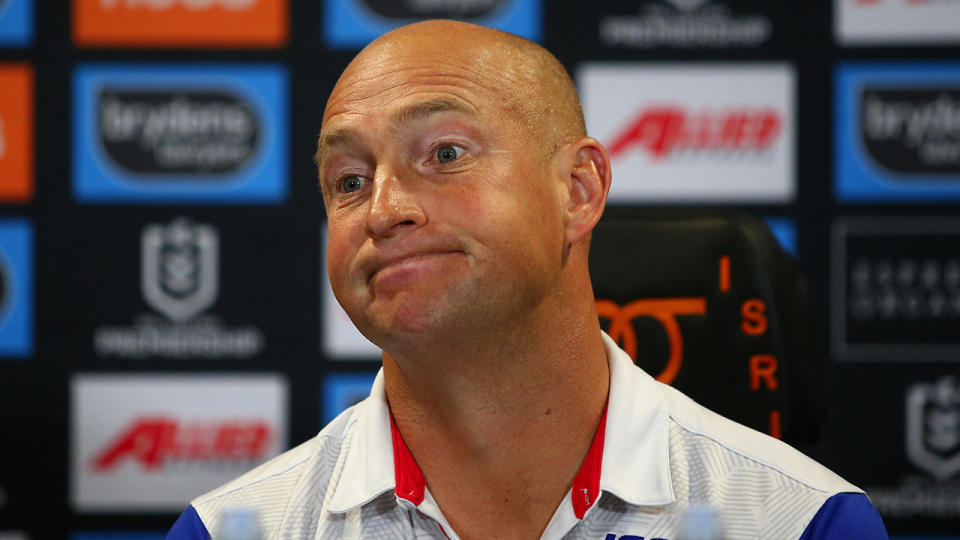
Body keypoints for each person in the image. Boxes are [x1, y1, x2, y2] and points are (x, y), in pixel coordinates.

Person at [167, 20, 887, 540]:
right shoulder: (234, 530)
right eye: (348, 180)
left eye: (445, 153)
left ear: (578, 190)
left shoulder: (802, 522)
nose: (385, 209)